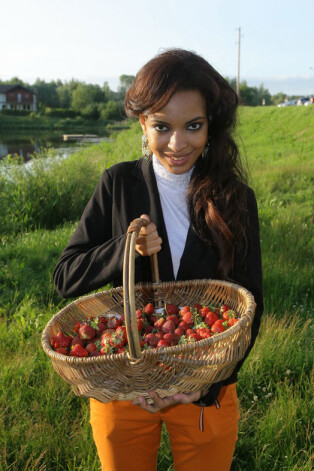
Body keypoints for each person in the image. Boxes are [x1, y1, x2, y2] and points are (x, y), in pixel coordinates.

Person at [53, 48, 263, 471]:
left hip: (205, 386)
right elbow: (65, 276)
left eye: (194, 126)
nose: (177, 143)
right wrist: (123, 249)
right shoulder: (117, 183)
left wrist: (205, 386)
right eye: (162, 127)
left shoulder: (235, 199)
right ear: (143, 124)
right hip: (126, 386)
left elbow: (252, 302)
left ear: (210, 125)